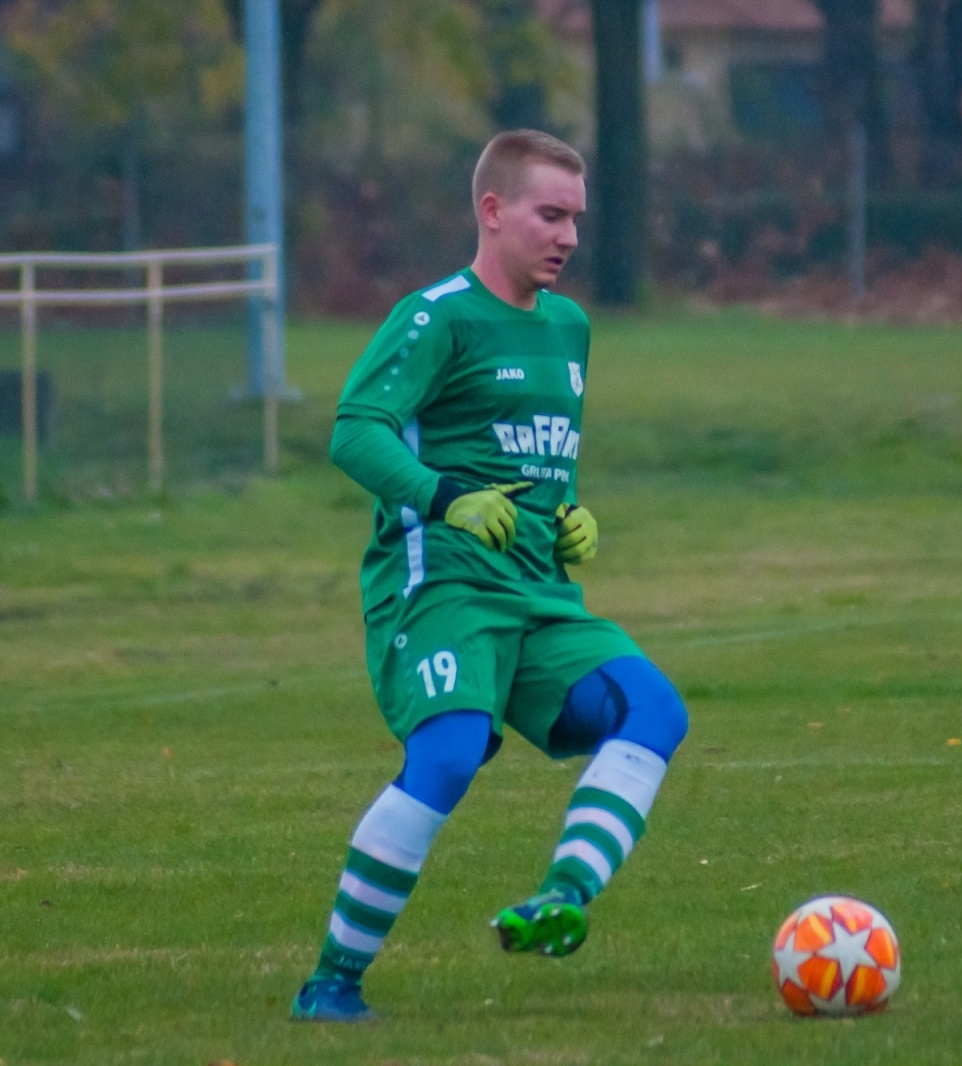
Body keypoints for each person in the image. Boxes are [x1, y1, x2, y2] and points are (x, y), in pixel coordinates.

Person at [291, 130, 689, 1023]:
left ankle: (562, 898)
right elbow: (355, 430)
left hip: (539, 592)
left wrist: (571, 516)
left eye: (577, 221)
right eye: (551, 216)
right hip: (441, 586)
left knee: (655, 709)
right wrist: (445, 499)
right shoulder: (436, 315)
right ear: (493, 210)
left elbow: (545, 457)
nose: (569, 238)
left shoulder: (571, 328)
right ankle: (331, 985)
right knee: (450, 749)